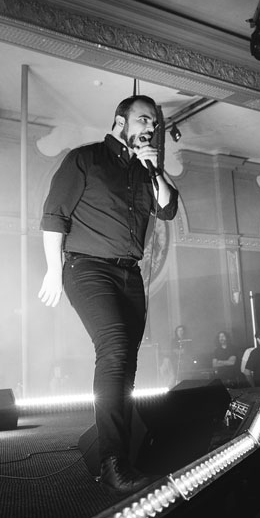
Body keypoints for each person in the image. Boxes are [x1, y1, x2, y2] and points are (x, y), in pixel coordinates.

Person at [37, 94, 180, 494]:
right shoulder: (85, 160)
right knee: (115, 347)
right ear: (120, 122)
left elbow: (167, 209)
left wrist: (156, 169)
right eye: (144, 119)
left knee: (127, 363)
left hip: (129, 275)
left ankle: (121, 455)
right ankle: (113, 463)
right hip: (86, 267)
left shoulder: (145, 171)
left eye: (154, 122)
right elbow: (54, 215)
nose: (151, 127)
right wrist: (53, 269)